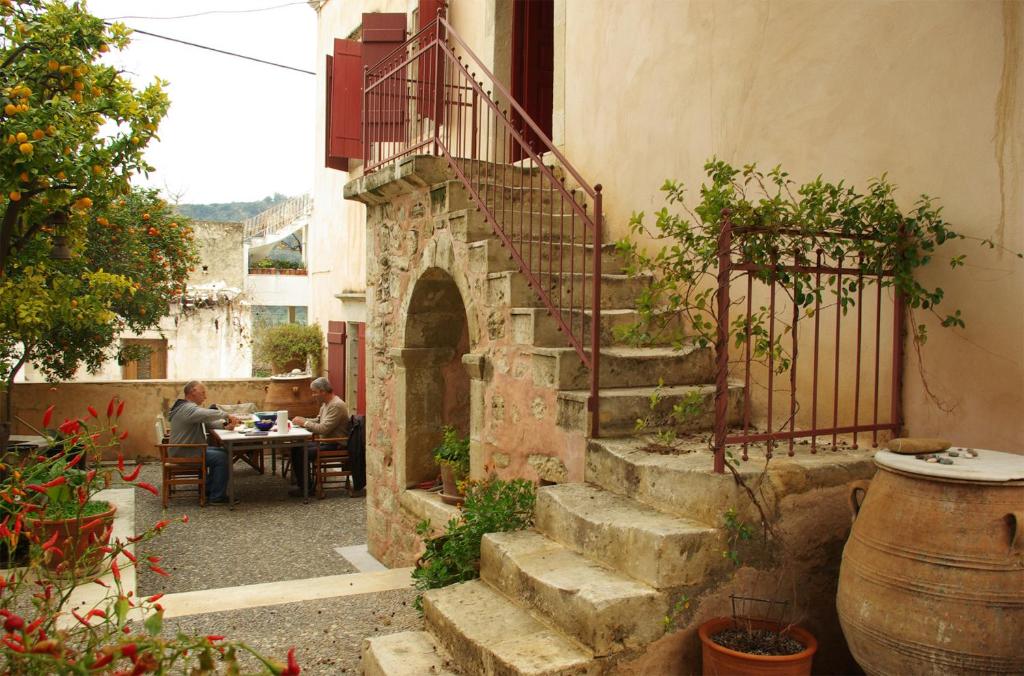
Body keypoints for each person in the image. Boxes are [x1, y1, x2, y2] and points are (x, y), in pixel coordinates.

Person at [168, 380, 241, 505]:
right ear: (193, 392)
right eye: (203, 393)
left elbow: (208, 423)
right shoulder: (188, 409)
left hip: (188, 449)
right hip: (185, 452)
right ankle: (217, 497)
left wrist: (225, 426)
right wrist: (226, 415)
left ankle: (209, 489)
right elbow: (206, 414)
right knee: (223, 458)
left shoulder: (187, 409)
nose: (205, 396)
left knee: (223, 452)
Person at [290, 377, 349, 497]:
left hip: (335, 444)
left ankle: (306, 488)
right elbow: (318, 420)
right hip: (326, 442)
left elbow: (323, 428)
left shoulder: (336, 405)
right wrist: (303, 420)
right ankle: (304, 485)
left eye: (314, 392)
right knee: (296, 448)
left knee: (302, 452)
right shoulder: (326, 404)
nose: (313, 395)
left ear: (322, 391)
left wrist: (304, 423)